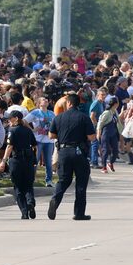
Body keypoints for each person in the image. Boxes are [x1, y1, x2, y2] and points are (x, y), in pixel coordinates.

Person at [48, 93, 96, 221]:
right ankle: (79, 213)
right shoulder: (84, 118)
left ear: (68, 103)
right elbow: (92, 137)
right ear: (78, 103)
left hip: (63, 152)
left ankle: (55, 200)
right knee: (81, 182)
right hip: (79, 152)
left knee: (63, 180)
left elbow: (51, 135)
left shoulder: (58, 118)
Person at [0, 111, 37, 219]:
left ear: (15, 119)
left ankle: (24, 212)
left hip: (16, 160)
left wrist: (3, 161)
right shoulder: (28, 131)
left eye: (10, 119)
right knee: (28, 185)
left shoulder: (12, 131)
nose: (8, 121)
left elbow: (9, 146)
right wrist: (34, 158)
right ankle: (30, 202)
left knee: (18, 187)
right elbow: (35, 146)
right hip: (28, 160)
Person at [25, 96, 55, 187]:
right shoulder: (35, 112)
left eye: (47, 99)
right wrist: (32, 129)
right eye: (43, 100)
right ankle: (31, 179)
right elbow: (24, 121)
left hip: (49, 141)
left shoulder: (52, 113)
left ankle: (49, 180)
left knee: (48, 161)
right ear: (39, 103)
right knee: (35, 160)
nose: (46, 100)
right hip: (38, 140)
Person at [96, 96, 121, 173]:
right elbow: (100, 123)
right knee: (105, 150)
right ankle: (104, 167)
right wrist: (98, 133)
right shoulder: (106, 113)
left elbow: (118, 121)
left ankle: (110, 163)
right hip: (106, 132)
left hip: (113, 132)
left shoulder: (115, 112)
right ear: (115, 104)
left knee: (116, 150)